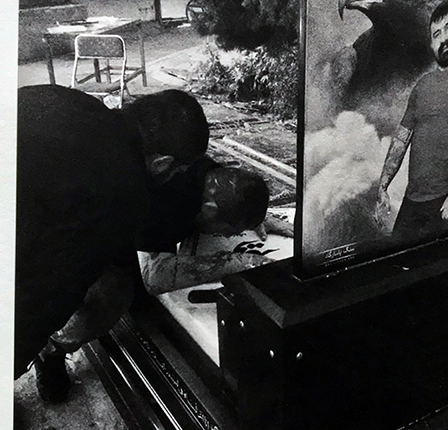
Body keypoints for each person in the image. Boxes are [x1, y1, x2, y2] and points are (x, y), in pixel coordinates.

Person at [14, 85, 209, 404]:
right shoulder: (120, 192)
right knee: (112, 289)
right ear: (161, 164)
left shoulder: (74, 100)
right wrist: (15, 354)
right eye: (178, 171)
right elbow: (54, 288)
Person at [374, 1, 448, 244]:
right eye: (436, 34)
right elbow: (400, 140)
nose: (444, 38)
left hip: (443, 200)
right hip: (412, 199)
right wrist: (383, 186)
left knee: (430, 272)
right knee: (397, 264)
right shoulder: (422, 86)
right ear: (431, 43)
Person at [138, 164, 276, 295]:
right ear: (209, 210)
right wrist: (242, 262)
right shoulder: (170, 206)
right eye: (229, 231)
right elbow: (156, 278)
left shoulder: (211, 174)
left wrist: (253, 218)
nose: (227, 236)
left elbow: (233, 192)